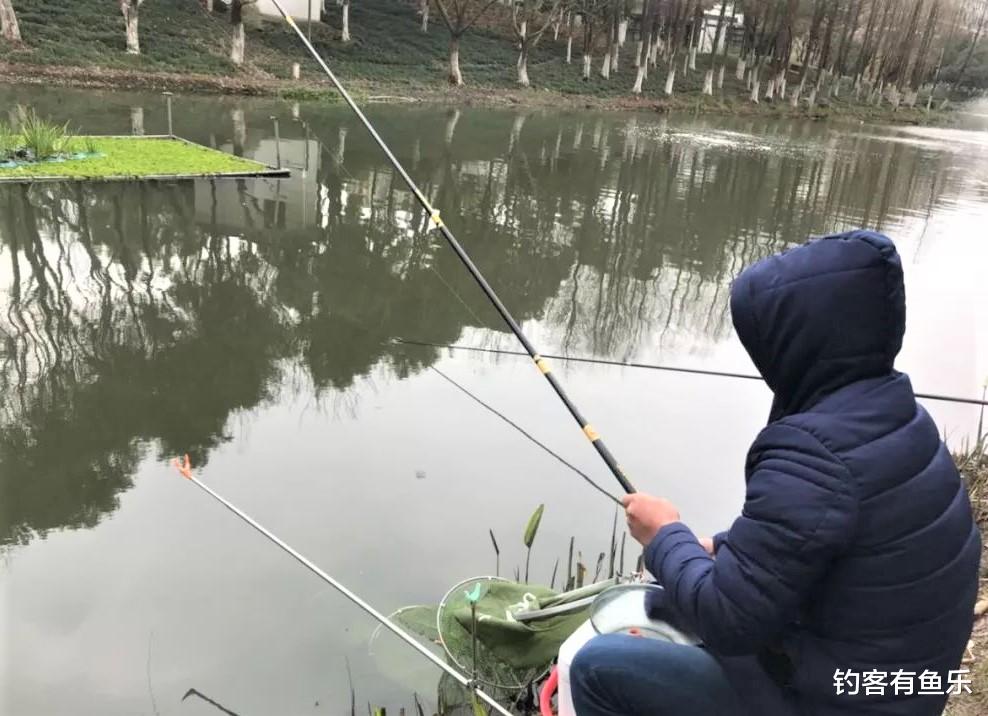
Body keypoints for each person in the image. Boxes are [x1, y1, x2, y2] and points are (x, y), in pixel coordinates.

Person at [570, 230, 981, 716]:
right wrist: (717, 548)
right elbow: (819, 540)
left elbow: (727, 620)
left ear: (799, 341)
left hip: (830, 701)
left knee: (596, 666)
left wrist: (663, 535)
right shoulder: (902, 421)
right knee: (670, 594)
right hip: (895, 691)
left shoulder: (813, 456)